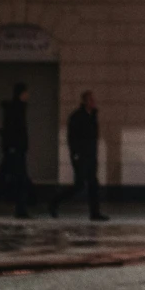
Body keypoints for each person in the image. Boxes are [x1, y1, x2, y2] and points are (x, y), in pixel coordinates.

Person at [53, 91, 103, 219]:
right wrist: (75, 154)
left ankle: (95, 213)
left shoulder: (92, 116)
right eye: (91, 100)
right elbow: (73, 138)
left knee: (93, 184)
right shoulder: (77, 117)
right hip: (81, 156)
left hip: (90, 155)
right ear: (85, 101)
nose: (93, 102)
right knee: (79, 185)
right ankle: (55, 201)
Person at [0, 82, 34, 219]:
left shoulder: (18, 108)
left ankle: (17, 206)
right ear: (21, 94)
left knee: (11, 176)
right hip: (16, 148)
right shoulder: (16, 109)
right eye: (25, 93)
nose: (27, 95)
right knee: (20, 179)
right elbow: (14, 130)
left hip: (15, 148)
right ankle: (20, 208)